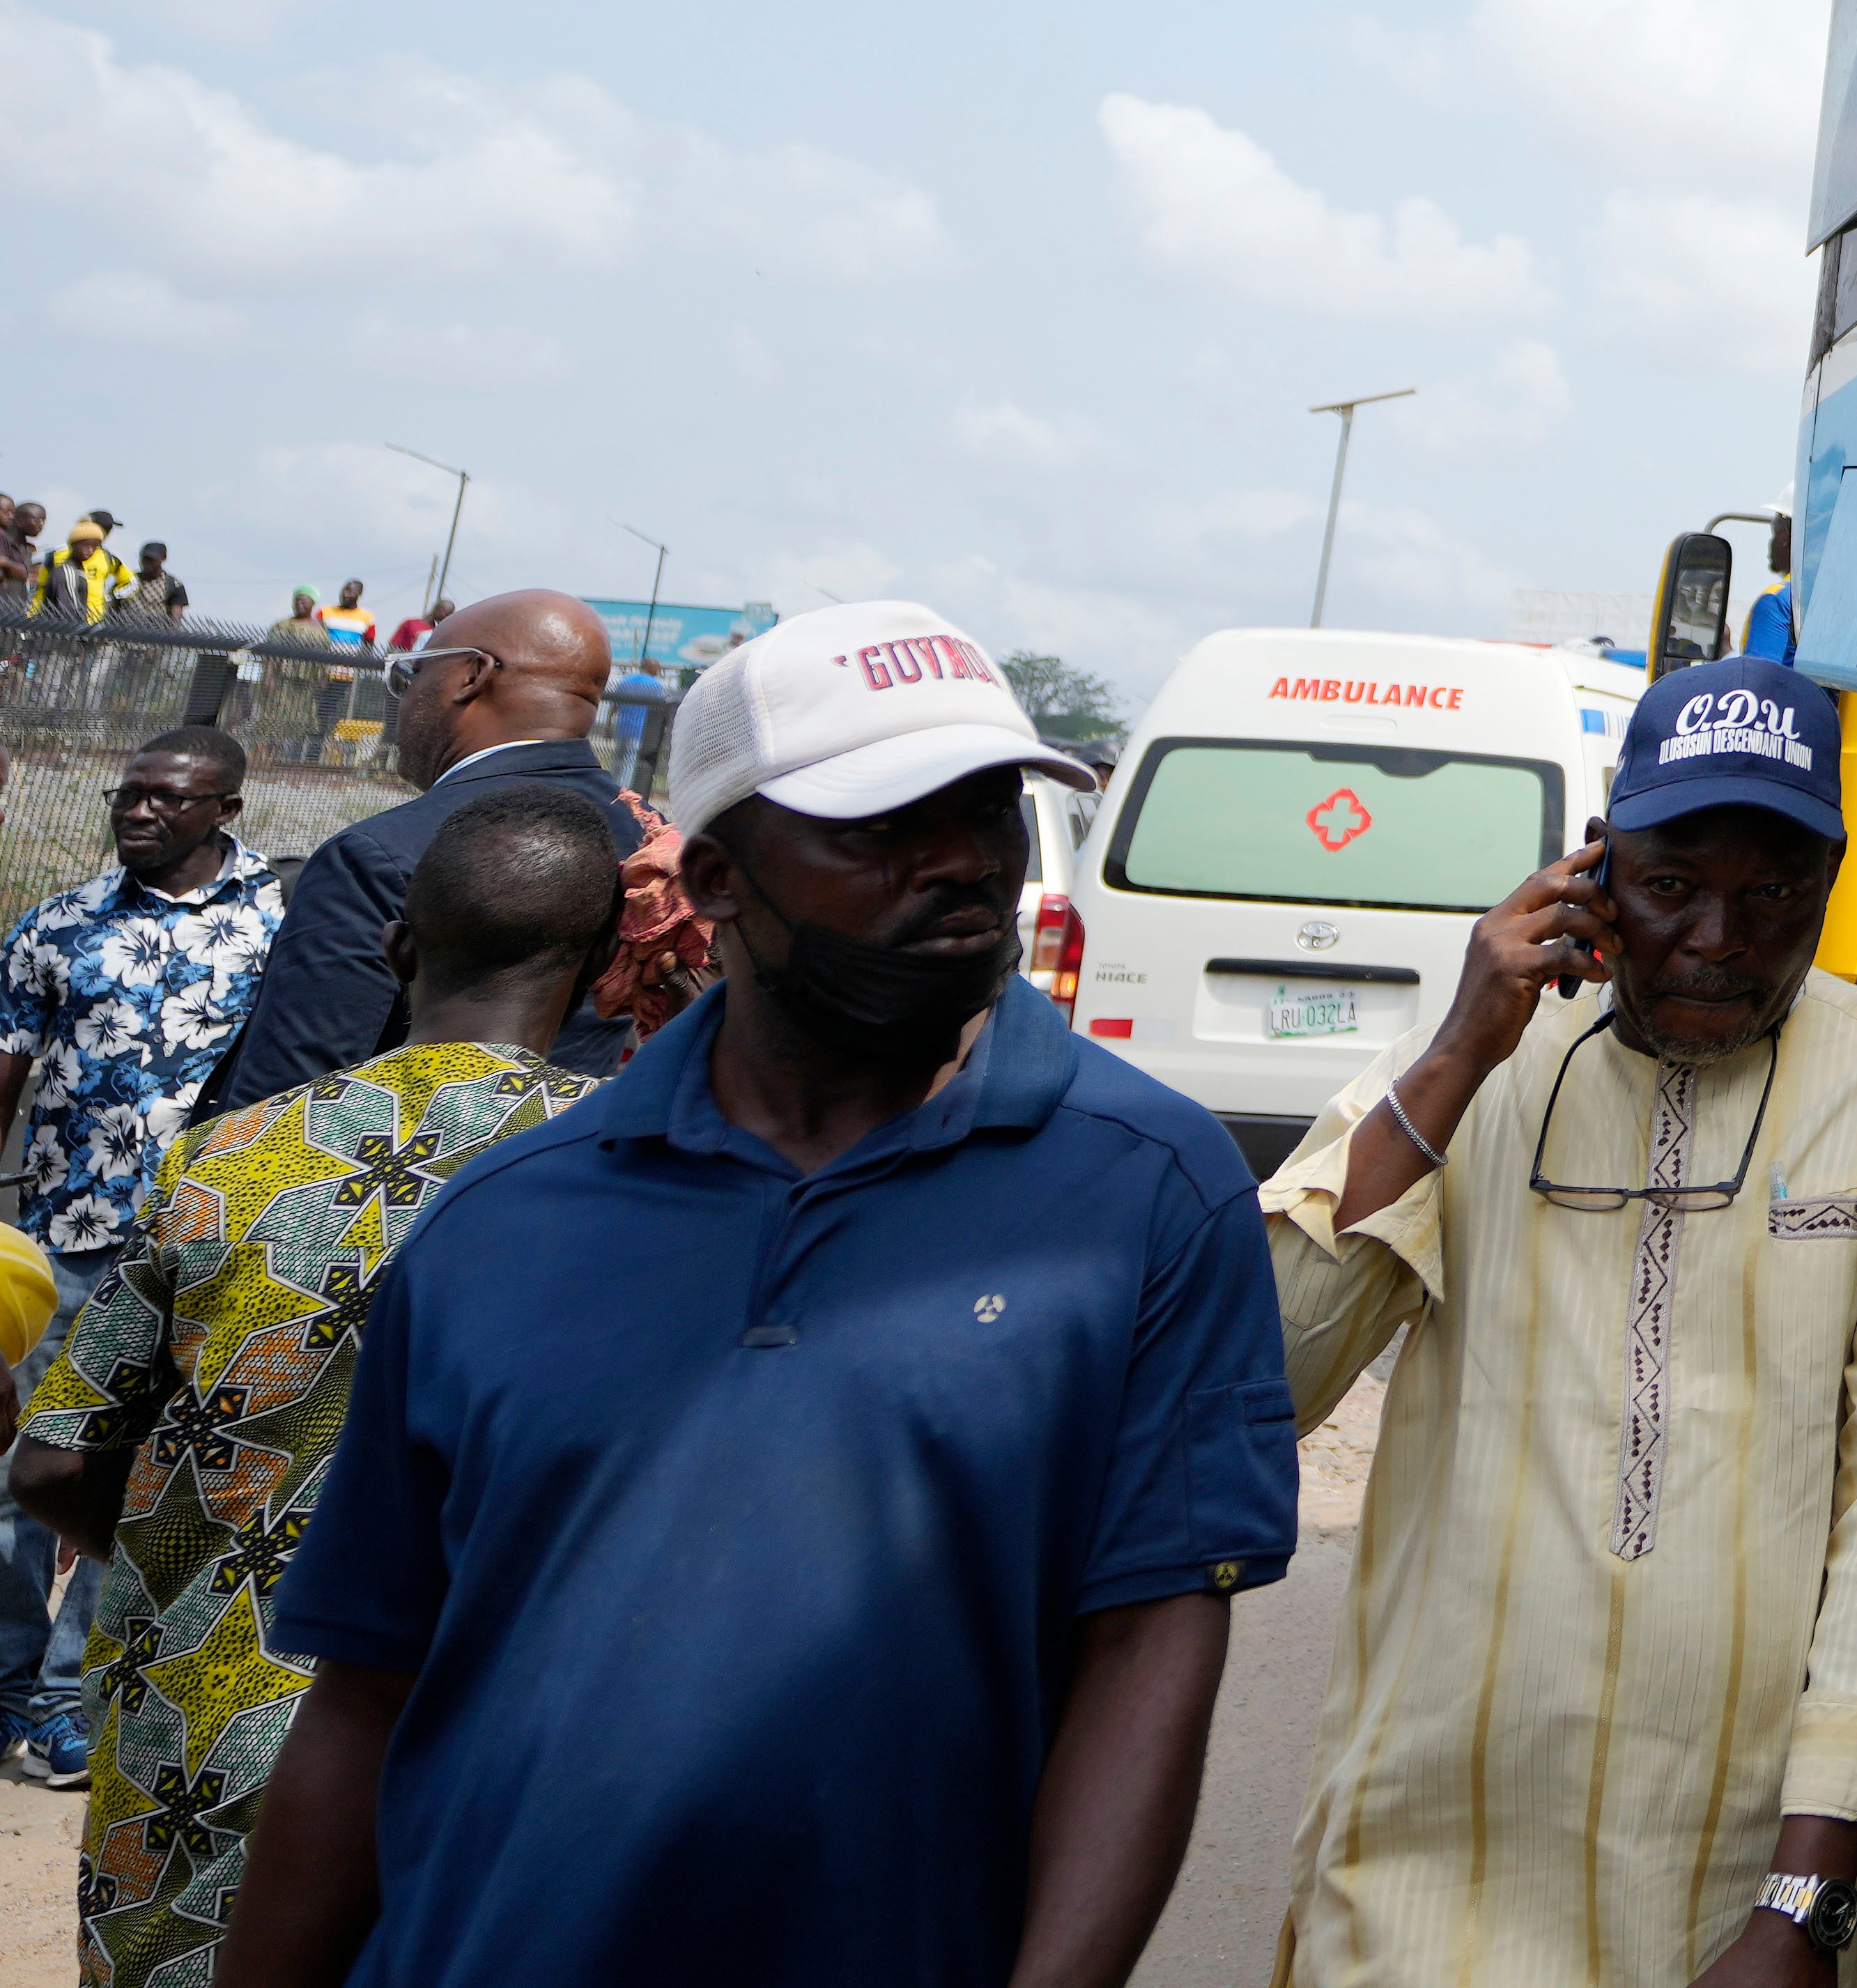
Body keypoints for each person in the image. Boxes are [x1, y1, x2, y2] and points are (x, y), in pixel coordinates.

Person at [222, 599, 1292, 1988]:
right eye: (884, 824)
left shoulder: (1147, 1191)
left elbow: (1149, 1643)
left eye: (989, 809)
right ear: (719, 879)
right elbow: (367, 1692)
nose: (964, 860)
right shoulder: (506, 1218)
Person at [1263, 656, 1857, 1988]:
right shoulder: (1482, 1059)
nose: (1719, 939)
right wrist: (1456, 1058)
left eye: (1773, 893)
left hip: (1734, 1880)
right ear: (1595, 868)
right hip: (1428, 1864)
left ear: (1832, 882)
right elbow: (1269, 1375)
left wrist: (1802, 1905)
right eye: (1671, 886)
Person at [13, 787, 626, 1982]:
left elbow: (51, 1463)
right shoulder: (633, 1174)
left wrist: (196, 1555)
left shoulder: (228, 1160)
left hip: (202, 1743)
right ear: (605, 970)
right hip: (483, 1749)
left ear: (397, 949)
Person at [0, 730, 286, 1789]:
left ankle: (68, 1705)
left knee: (134, 1475)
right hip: (63, 1240)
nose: (140, 810)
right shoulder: (60, 924)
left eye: (168, 797)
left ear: (225, 809)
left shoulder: (282, 926)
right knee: (20, 1467)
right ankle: (6, 1687)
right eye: (128, 794)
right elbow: (6, 1066)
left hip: (200, 1244)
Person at [199, 590, 643, 1118]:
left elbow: (280, 1105)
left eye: (412, 673)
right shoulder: (648, 840)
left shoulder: (375, 857)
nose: (404, 698)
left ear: (472, 675)